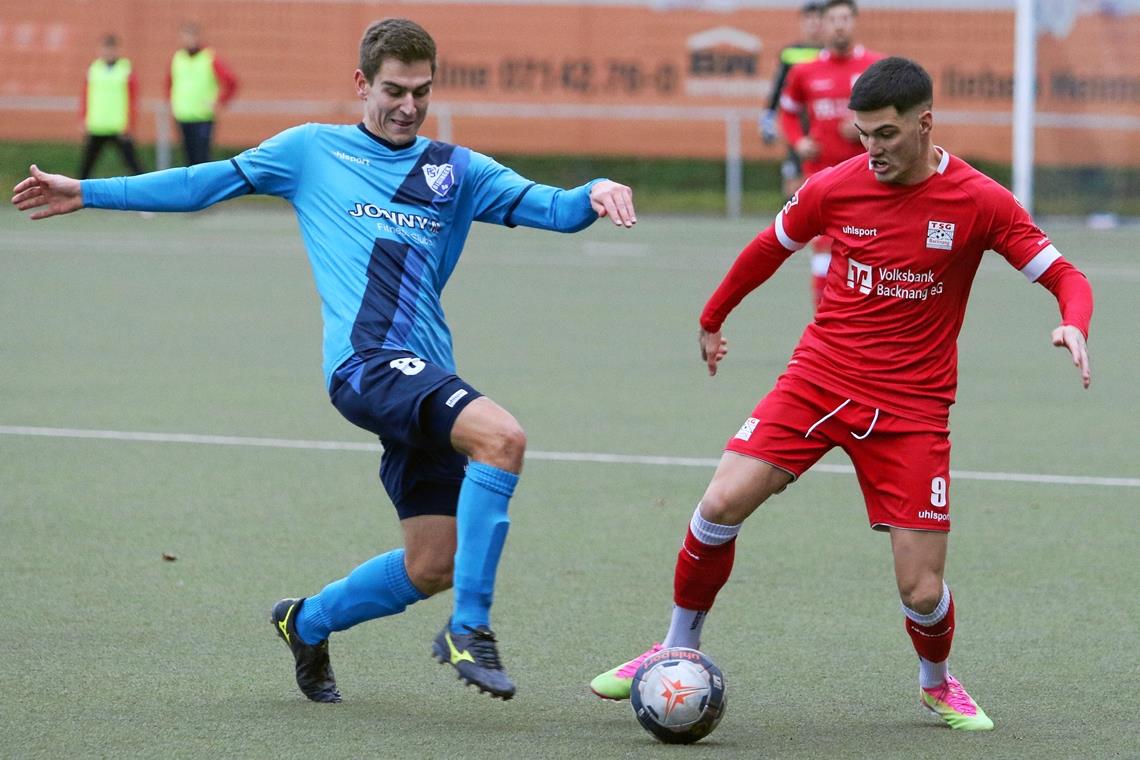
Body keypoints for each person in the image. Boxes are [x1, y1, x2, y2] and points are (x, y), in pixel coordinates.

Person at [13, 17, 636, 704]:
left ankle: (305, 622)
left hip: (426, 372)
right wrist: (91, 191)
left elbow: (552, 208)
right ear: (361, 83)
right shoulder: (311, 150)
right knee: (503, 437)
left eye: (421, 92)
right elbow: (205, 182)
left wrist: (596, 191)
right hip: (366, 364)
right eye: (394, 90)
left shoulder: (455, 171)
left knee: (432, 562)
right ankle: (470, 629)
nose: (407, 107)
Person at [588, 56, 1092, 732]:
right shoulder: (835, 187)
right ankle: (677, 643)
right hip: (820, 378)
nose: (871, 149)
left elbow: (1063, 272)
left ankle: (936, 683)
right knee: (720, 503)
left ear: (925, 124)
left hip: (913, 407)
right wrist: (713, 317)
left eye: (885, 134)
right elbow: (769, 247)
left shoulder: (979, 201)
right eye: (862, 134)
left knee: (921, 589)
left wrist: (1072, 320)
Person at [778, 0, 881, 309]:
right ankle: (825, 322)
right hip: (821, 175)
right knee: (823, 248)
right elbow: (787, 113)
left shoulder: (875, 67)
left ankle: (866, 318)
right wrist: (799, 142)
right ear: (822, 24)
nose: (840, 25)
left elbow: (894, 115)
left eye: (845, 18)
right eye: (833, 18)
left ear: (855, 22)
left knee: (870, 250)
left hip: (869, 176)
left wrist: (866, 126)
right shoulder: (803, 71)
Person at [759, 2, 824, 198]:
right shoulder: (791, 53)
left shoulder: (832, 53)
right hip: (799, 127)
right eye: (809, 19)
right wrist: (767, 119)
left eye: (818, 18)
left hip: (823, 128)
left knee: (825, 182)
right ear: (803, 22)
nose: (814, 23)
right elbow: (778, 88)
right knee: (793, 185)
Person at [166, 22, 238, 165]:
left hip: (203, 116)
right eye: (185, 37)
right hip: (183, 115)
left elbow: (231, 81)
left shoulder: (209, 58)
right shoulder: (178, 58)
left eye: (191, 37)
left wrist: (221, 101)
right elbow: (169, 83)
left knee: (202, 159)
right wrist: (172, 102)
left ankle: (207, 187)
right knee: (188, 158)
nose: (188, 40)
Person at [79, 35, 143, 179]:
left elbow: (133, 99)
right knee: (85, 168)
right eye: (105, 49)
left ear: (117, 50)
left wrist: (130, 124)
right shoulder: (94, 69)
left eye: (111, 49)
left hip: (118, 126)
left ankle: (146, 195)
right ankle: (76, 197)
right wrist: (83, 119)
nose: (108, 53)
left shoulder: (125, 69)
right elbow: (85, 96)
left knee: (134, 166)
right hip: (97, 125)